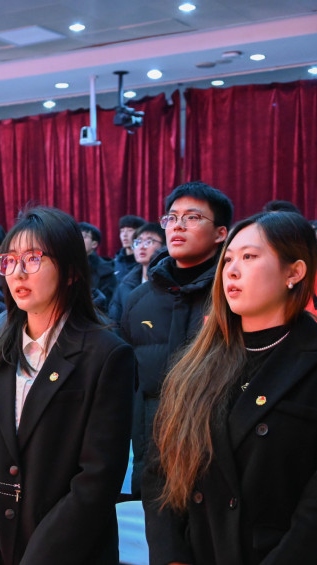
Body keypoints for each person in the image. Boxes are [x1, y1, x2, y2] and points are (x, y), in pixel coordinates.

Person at [0, 206, 135, 565]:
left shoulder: (106, 355)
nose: (18, 272)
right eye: (9, 260)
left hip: (68, 552)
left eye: (33, 259)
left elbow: (97, 479)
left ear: (71, 271)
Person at [144, 211, 317, 565]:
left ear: (295, 272)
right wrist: (172, 557)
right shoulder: (196, 362)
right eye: (228, 260)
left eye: (249, 257)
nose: (232, 271)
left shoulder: (309, 358)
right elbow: (159, 471)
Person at [121, 181, 233, 495]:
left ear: (220, 233)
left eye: (192, 217)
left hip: (218, 460)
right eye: (171, 217)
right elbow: (130, 385)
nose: (177, 226)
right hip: (153, 459)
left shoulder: (233, 296)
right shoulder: (138, 301)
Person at [109, 222, 165, 325]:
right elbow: (114, 322)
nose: (141, 246)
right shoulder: (125, 285)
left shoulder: (170, 283)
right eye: (138, 242)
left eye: (149, 241)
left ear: (164, 246)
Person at [78, 222, 117, 305]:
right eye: (76, 236)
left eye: (83, 236)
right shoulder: (67, 265)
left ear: (94, 244)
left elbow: (107, 302)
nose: (78, 239)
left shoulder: (105, 271)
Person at [114, 215, 146, 282]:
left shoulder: (145, 262)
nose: (124, 235)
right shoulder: (114, 264)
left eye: (130, 230)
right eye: (122, 231)